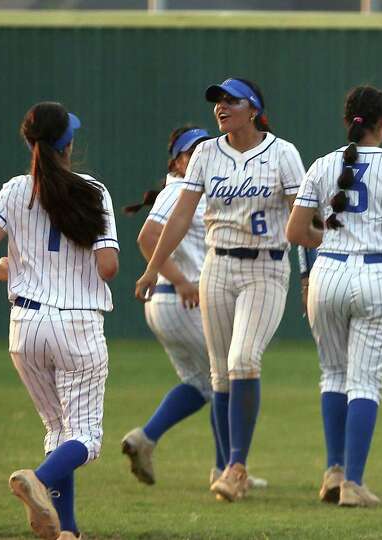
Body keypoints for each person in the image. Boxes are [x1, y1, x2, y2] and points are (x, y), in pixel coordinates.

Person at [135, 78, 305, 502]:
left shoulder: (283, 153)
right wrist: (153, 269)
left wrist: (309, 274)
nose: (221, 107)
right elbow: (178, 218)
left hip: (265, 268)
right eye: (217, 101)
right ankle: (228, 466)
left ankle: (236, 467)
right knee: (218, 375)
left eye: (231, 101)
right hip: (218, 265)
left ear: (254, 109)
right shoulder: (207, 153)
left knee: (244, 359)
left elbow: (302, 222)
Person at [0, 102, 118, 539]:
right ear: (67, 144)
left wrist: (10, 270)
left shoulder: (14, 190)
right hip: (76, 324)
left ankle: (65, 529)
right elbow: (108, 267)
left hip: (26, 326)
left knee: (58, 429)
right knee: (85, 438)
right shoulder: (92, 190)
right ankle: (40, 478)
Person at [287, 85, 382, 507]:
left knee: (333, 375)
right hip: (376, 273)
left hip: (327, 272)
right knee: (365, 382)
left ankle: (334, 471)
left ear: (348, 122)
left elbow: (295, 233)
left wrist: (327, 235)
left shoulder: (323, 164)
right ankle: (354, 484)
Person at [120, 126, 228, 488]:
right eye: (192, 152)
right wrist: (181, 279)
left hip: (170, 302)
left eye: (204, 149)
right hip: (181, 297)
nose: (200, 156)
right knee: (228, 380)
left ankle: (145, 438)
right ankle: (226, 470)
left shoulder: (194, 190)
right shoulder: (180, 189)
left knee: (200, 384)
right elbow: (146, 238)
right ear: (178, 162)